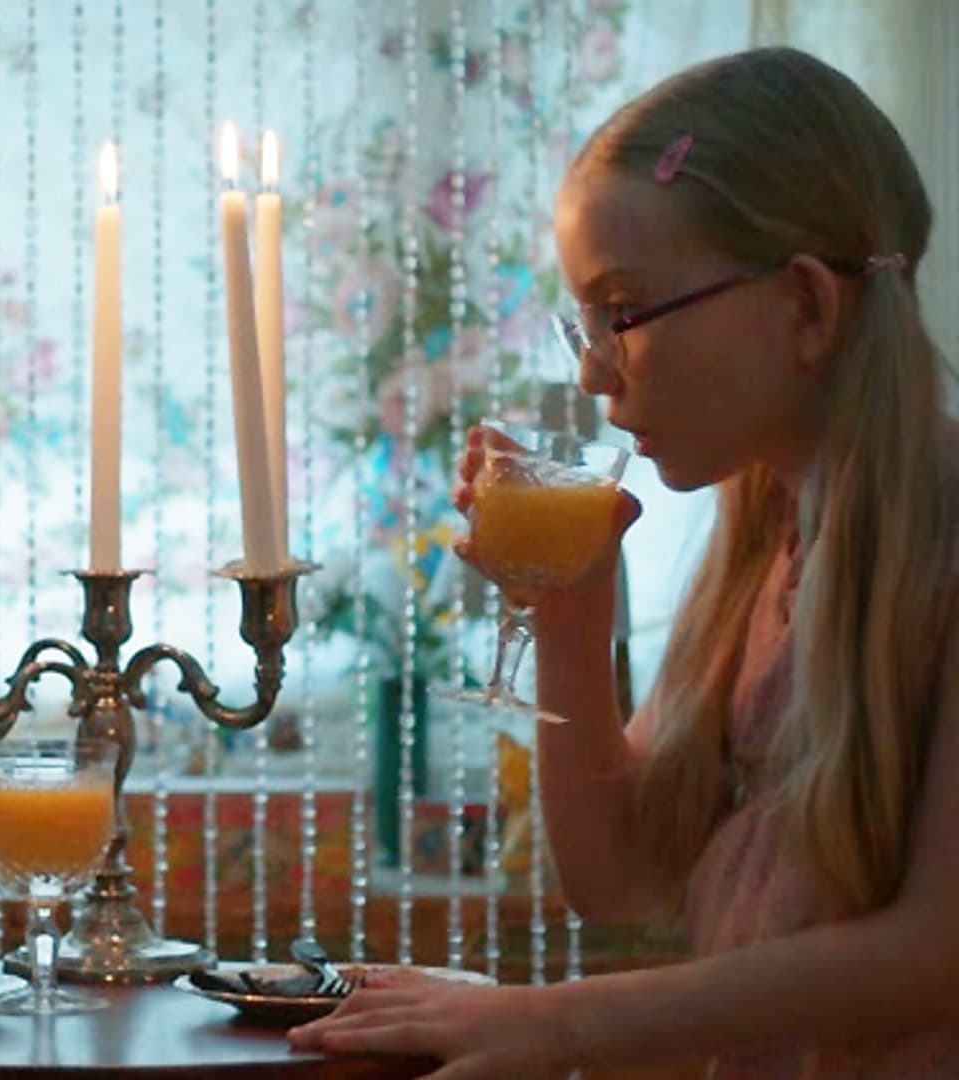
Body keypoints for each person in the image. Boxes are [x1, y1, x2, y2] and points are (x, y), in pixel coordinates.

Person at [290, 47, 958, 1078]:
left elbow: (932, 953)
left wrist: (555, 1024)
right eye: (585, 324)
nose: (596, 373)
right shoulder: (764, 546)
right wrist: (572, 608)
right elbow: (614, 875)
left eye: (626, 313)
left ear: (807, 307)